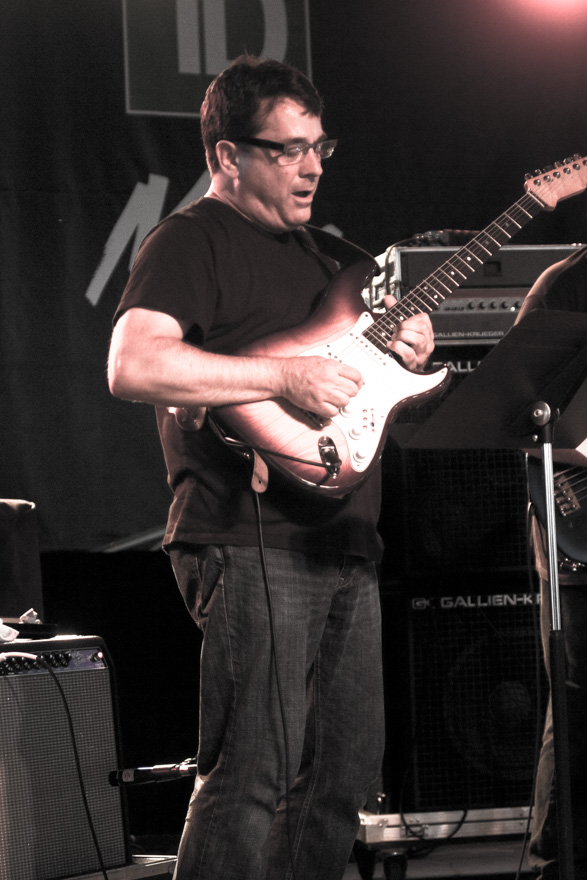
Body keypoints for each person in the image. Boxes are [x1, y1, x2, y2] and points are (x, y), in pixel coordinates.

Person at [108, 55, 434, 880]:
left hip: (345, 541)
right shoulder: (190, 240)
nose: (312, 166)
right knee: (251, 777)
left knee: (339, 784)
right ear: (228, 155)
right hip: (249, 536)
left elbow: (372, 401)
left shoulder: (334, 259)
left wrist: (406, 357)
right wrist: (281, 377)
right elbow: (133, 366)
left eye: (319, 146)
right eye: (289, 149)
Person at [516, 245, 587, 880]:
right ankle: (554, 867)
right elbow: (519, 411)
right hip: (579, 537)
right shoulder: (566, 287)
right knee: (577, 714)